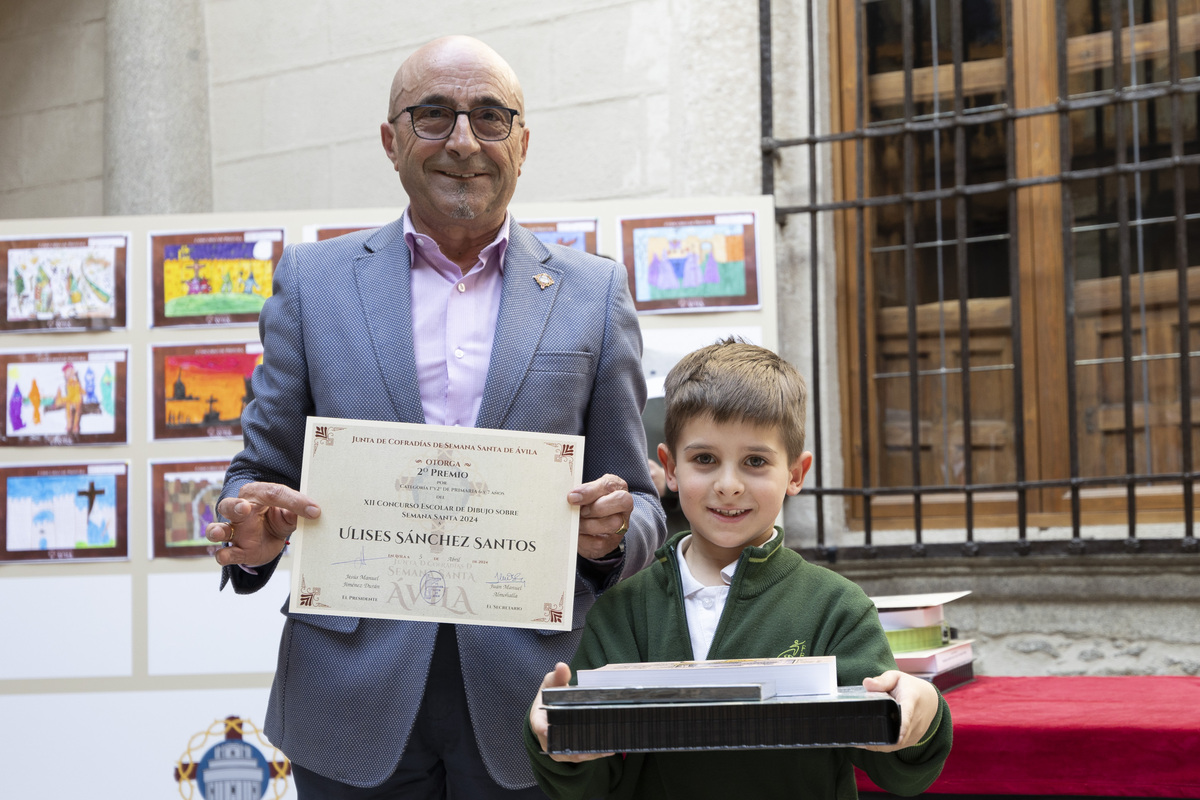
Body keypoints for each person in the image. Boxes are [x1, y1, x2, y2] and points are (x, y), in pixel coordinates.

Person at [204, 35, 666, 799]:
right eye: (433, 115)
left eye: (490, 117)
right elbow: (257, 476)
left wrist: (613, 536)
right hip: (349, 693)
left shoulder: (593, 294)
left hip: (535, 696)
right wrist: (252, 533)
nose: (462, 141)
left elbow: (644, 505)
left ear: (523, 142)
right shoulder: (313, 284)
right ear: (391, 140)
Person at [526, 339, 952, 799]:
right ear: (670, 468)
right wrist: (557, 739)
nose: (728, 486)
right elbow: (588, 785)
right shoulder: (624, 611)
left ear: (795, 474)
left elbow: (897, 770)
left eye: (755, 462)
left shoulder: (836, 607)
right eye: (705, 459)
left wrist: (922, 709)